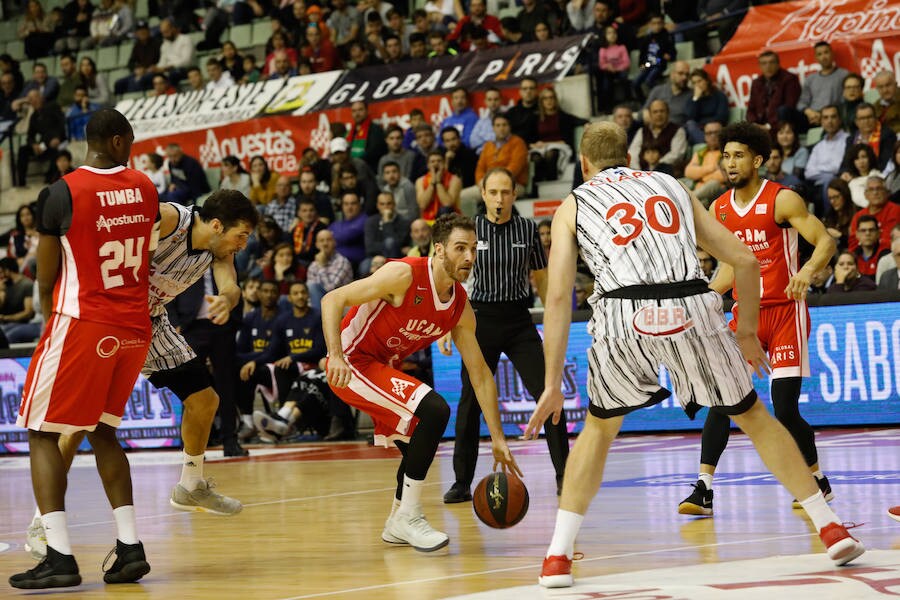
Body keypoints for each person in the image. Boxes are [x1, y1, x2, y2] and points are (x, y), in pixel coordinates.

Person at [526, 122, 864, 589]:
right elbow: (745, 259)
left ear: (584, 165)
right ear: (629, 155)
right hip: (692, 303)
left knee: (599, 429)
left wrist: (549, 384)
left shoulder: (575, 202)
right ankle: (829, 527)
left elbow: (560, 296)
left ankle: (558, 557)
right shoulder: (671, 184)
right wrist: (746, 331)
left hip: (624, 311)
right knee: (755, 417)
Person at [25, 189, 260, 564]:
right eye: (241, 235)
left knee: (205, 399)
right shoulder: (169, 218)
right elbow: (132, 223)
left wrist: (228, 300)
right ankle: (41, 521)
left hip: (151, 323)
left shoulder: (218, 248)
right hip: (108, 319)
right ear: (216, 225)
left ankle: (191, 485)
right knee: (82, 422)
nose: (243, 244)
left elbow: (229, 283)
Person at [11, 108, 159, 589]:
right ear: (116, 141)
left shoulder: (62, 191)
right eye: (131, 141)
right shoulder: (146, 188)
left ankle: (59, 555)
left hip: (83, 321)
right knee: (103, 432)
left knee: (39, 432)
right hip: (135, 327)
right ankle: (130, 547)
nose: (133, 149)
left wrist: (46, 315)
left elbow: (46, 274)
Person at [322, 213, 521, 552]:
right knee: (434, 410)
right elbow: (332, 300)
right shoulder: (403, 274)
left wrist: (499, 438)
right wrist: (335, 354)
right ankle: (410, 516)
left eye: (474, 249)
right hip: (351, 365)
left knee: (419, 441)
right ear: (439, 249)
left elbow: (481, 374)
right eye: (460, 248)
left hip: (379, 368)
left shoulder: (458, 305)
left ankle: (397, 521)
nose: (470, 257)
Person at [679, 121, 838, 517]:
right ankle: (704, 488)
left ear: (758, 159)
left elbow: (826, 241)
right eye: (726, 156)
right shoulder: (719, 208)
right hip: (745, 315)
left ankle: (816, 478)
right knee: (724, 397)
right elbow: (731, 269)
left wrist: (807, 271)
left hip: (785, 313)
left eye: (738, 156)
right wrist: (706, 297)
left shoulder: (782, 200)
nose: (730, 163)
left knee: (784, 409)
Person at [443, 167, 568, 504]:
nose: (500, 199)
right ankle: (461, 482)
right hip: (479, 320)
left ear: (515, 194)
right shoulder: (468, 231)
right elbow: (451, 276)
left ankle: (564, 475)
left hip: (518, 321)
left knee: (549, 395)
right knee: (470, 403)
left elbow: (541, 279)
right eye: (493, 192)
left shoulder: (528, 229)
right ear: (482, 194)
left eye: (506, 192)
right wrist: (446, 321)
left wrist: (552, 318)